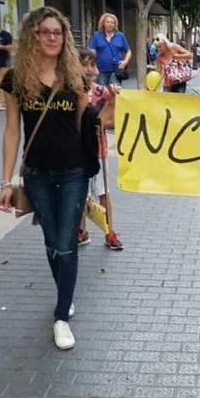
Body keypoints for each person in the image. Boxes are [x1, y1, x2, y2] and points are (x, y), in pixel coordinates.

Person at [0, 6, 104, 350]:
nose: (52, 38)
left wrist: (109, 110)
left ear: (65, 37)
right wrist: (5, 182)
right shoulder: (15, 79)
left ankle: (61, 316)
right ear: (33, 36)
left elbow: (87, 121)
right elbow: (12, 132)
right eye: (45, 32)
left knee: (66, 242)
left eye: (58, 32)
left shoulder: (76, 76)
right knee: (51, 241)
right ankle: (64, 295)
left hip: (74, 171)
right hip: (37, 173)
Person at [75, 48, 124, 251]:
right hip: (74, 152)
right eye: (84, 64)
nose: (89, 69)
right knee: (77, 193)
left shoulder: (100, 91)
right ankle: (80, 231)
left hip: (96, 150)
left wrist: (114, 95)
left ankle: (109, 231)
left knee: (103, 191)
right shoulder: (67, 91)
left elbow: (113, 112)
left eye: (92, 65)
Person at [89, 13, 131, 86]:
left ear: (115, 25)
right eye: (108, 22)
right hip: (101, 71)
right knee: (102, 94)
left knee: (114, 92)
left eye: (112, 22)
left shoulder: (120, 36)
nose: (110, 24)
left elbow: (128, 51)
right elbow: (92, 52)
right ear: (103, 23)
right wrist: (93, 66)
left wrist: (126, 61)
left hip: (116, 70)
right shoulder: (97, 36)